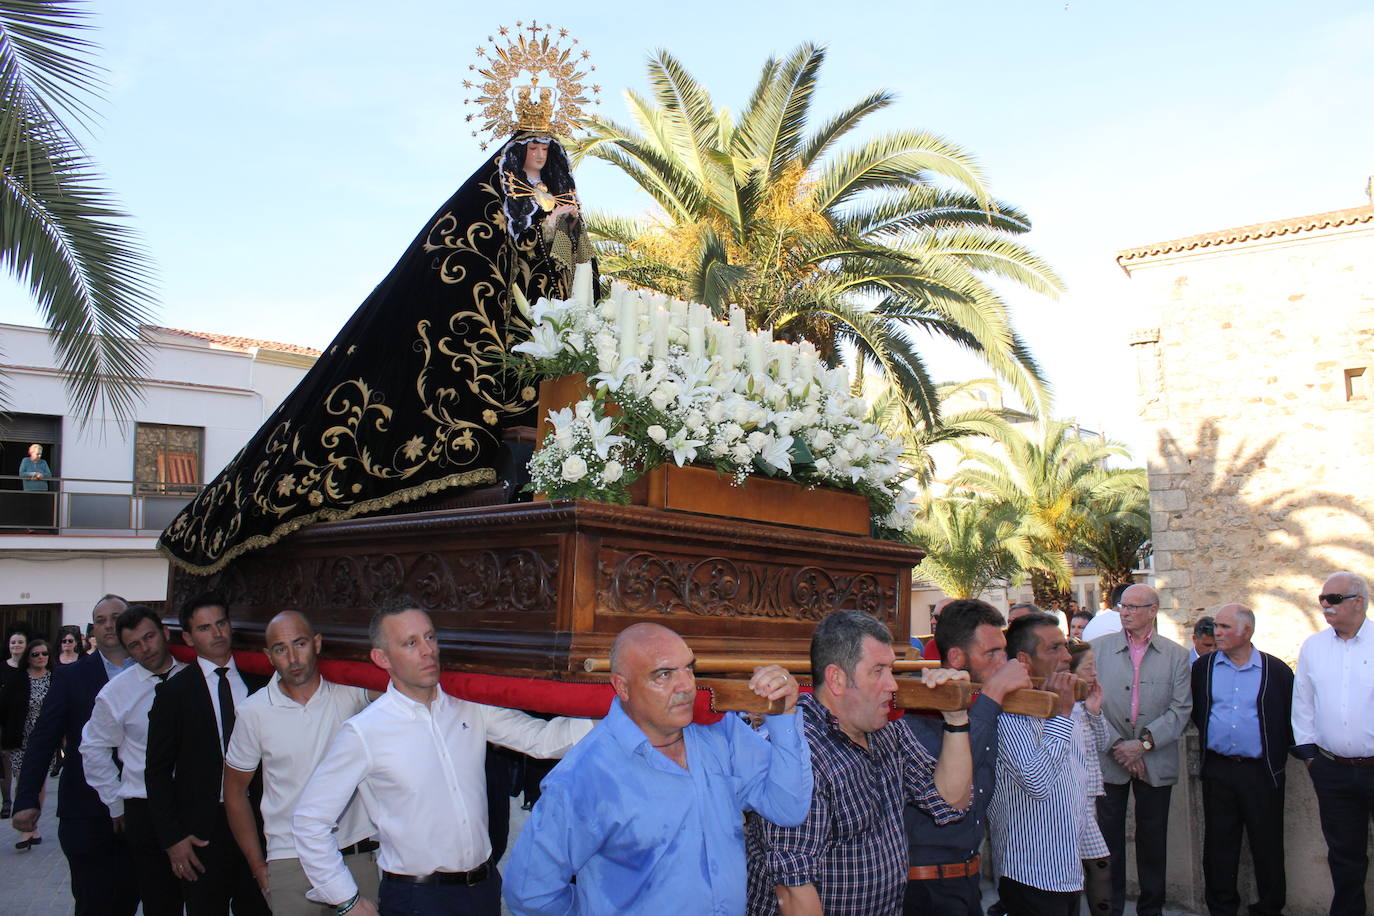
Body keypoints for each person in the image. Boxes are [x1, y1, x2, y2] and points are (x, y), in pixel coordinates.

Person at [159, 118, 595, 577]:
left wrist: (563, 228)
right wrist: (534, 228)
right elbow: (468, 255)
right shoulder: (490, 196)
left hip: (544, 324)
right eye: (532, 145)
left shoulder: (560, 196)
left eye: (548, 146)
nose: (541, 154)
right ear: (515, 149)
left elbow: (576, 264)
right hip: (500, 322)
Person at [293, 599, 593, 916]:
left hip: (483, 888)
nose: (427, 650)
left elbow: (543, 740)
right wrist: (345, 900)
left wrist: (614, 714)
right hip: (417, 899)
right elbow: (309, 820)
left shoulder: (469, 705)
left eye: (430, 637)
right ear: (382, 658)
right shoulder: (364, 732)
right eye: (411, 643)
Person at [502, 622, 811, 914]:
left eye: (688, 668)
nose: (686, 686)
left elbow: (788, 807)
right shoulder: (585, 776)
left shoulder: (720, 734)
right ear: (622, 687)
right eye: (663, 675)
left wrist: (784, 715)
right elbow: (530, 892)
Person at [746, 609, 974, 915]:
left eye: (891, 670)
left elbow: (949, 802)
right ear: (837, 679)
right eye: (878, 670)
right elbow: (793, 888)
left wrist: (956, 718)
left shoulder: (887, 730)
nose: (892, 685)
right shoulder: (799, 751)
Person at [224, 611, 379, 916]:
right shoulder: (253, 711)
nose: (293, 658)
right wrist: (258, 865)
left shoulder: (351, 692)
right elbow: (234, 791)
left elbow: (404, 686)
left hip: (354, 854)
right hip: (289, 861)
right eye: (281, 649)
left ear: (317, 643)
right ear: (269, 656)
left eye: (300, 644)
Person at [11, 595, 138, 915]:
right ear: (92, 630)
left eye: (116, 617)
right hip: (85, 810)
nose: (109, 624)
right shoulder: (71, 677)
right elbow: (42, 740)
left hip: (140, 809)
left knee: (127, 897)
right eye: (100, 619)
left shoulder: (154, 672)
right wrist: (26, 799)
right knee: (93, 900)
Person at [903, 600, 1031, 916]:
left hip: (968, 880)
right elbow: (948, 788)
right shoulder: (919, 709)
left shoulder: (985, 706)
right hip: (923, 890)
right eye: (991, 654)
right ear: (957, 658)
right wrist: (992, 697)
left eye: (1004, 651)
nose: (1004, 663)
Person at [145, 593, 270, 915]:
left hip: (260, 821)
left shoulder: (262, 683)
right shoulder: (173, 693)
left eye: (221, 624)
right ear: (188, 637)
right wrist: (173, 839)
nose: (216, 634)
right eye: (204, 628)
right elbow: (157, 772)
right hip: (202, 832)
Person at [1091, 583, 1191, 916]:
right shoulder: (1097, 650)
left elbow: (1180, 709)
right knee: (1107, 843)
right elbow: (1089, 708)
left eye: (1134, 607)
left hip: (1155, 760)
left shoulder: (1176, 655)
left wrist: (1143, 745)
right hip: (1110, 758)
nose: (1126, 612)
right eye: (1123, 606)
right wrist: (1120, 746)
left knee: (1153, 842)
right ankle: (1108, 909)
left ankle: (1152, 909)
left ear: (1153, 611)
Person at [81, 604, 188, 915]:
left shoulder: (196, 677)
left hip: (195, 803)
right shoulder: (116, 693)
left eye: (149, 637)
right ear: (127, 651)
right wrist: (116, 804)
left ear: (164, 633)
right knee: (159, 901)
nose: (146, 648)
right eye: (135, 645)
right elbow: (93, 747)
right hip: (145, 808)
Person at [1191, 603, 1293, 916]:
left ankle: (1269, 908)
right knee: (1219, 846)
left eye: (1224, 627)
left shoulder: (1275, 670)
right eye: (1215, 627)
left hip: (1261, 772)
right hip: (1219, 769)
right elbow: (1197, 710)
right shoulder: (1203, 668)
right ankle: (1222, 908)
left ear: (1246, 632)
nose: (1216, 633)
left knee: (1267, 845)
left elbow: (1290, 716)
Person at [989, 613, 1087, 914]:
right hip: (1029, 873)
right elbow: (1037, 782)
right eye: (1054, 648)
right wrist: (1062, 717)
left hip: (1068, 870)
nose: (1067, 657)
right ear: (1023, 659)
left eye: (1065, 647)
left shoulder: (1065, 704)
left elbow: (1079, 783)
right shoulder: (1009, 715)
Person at [1292, 571, 1374, 916]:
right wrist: (1312, 756)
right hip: (1333, 770)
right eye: (1322, 599)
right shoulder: (1314, 646)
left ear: (1358, 601)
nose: (1325, 605)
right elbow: (1303, 703)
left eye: (1333, 599)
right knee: (1343, 855)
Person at [1068, 641, 1111, 914]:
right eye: (1088, 668)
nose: (1094, 674)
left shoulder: (1084, 705)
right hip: (1074, 798)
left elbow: (1102, 743)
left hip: (1090, 796)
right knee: (1098, 862)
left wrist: (1095, 710)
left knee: (1083, 867)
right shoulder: (1065, 707)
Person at [2, 637, 52, 848]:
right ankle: (26, 828)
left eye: (44, 654)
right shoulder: (19, 679)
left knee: (39, 783)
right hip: (21, 737)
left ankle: (33, 826)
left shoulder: (55, 679)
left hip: (45, 738)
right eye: (35, 654)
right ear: (29, 658)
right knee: (23, 782)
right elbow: (6, 708)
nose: (40, 657)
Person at [0, 623, 31, 818]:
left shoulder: (30, 667)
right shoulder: (2, 667)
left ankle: (22, 803)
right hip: (4, 721)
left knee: (22, 766)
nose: (16, 645)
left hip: (26, 721)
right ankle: (6, 802)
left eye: (20, 642)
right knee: (5, 762)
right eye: (13, 642)